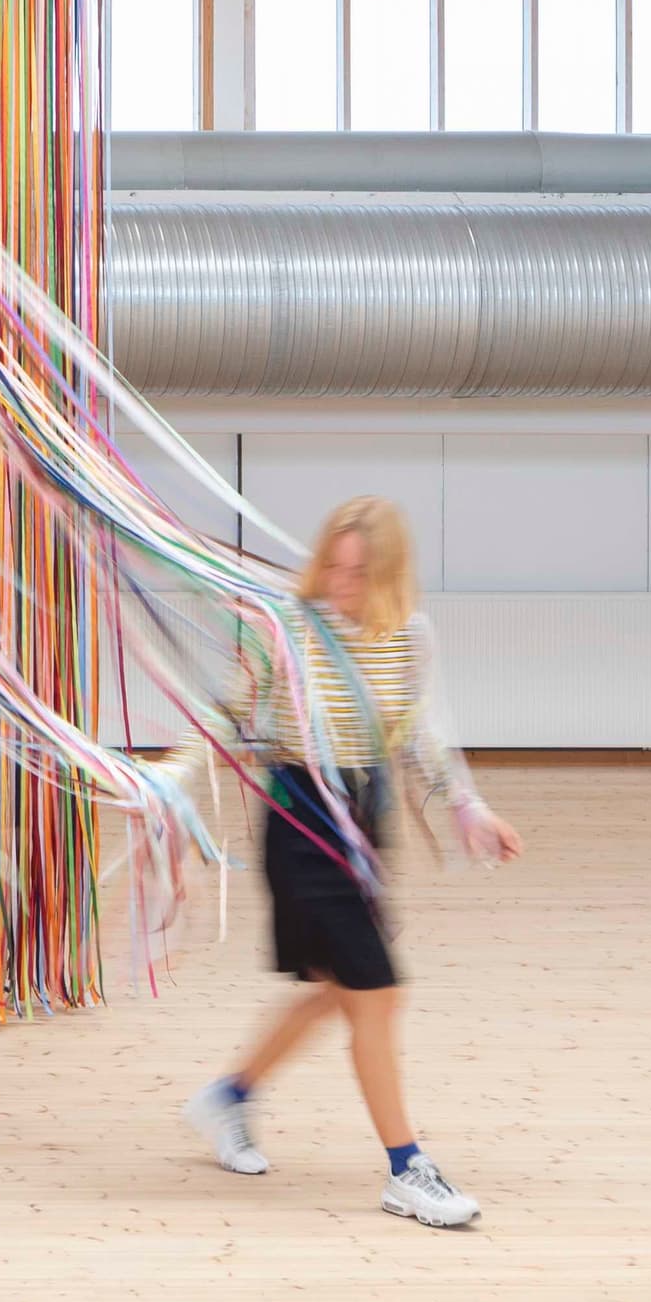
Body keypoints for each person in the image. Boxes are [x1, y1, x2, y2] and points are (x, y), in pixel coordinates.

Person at [179, 495, 524, 1227]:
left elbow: (421, 729)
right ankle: (407, 1167)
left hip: (366, 819)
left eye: (358, 573)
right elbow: (234, 714)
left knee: (344, 989)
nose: (340, 583)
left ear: (389, 573)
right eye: (332, 567)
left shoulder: (409, 633)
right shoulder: (291, 625)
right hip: (300, 813)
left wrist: (467, 804)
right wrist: (167, 781)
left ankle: (230, 1097)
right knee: (376, 991)